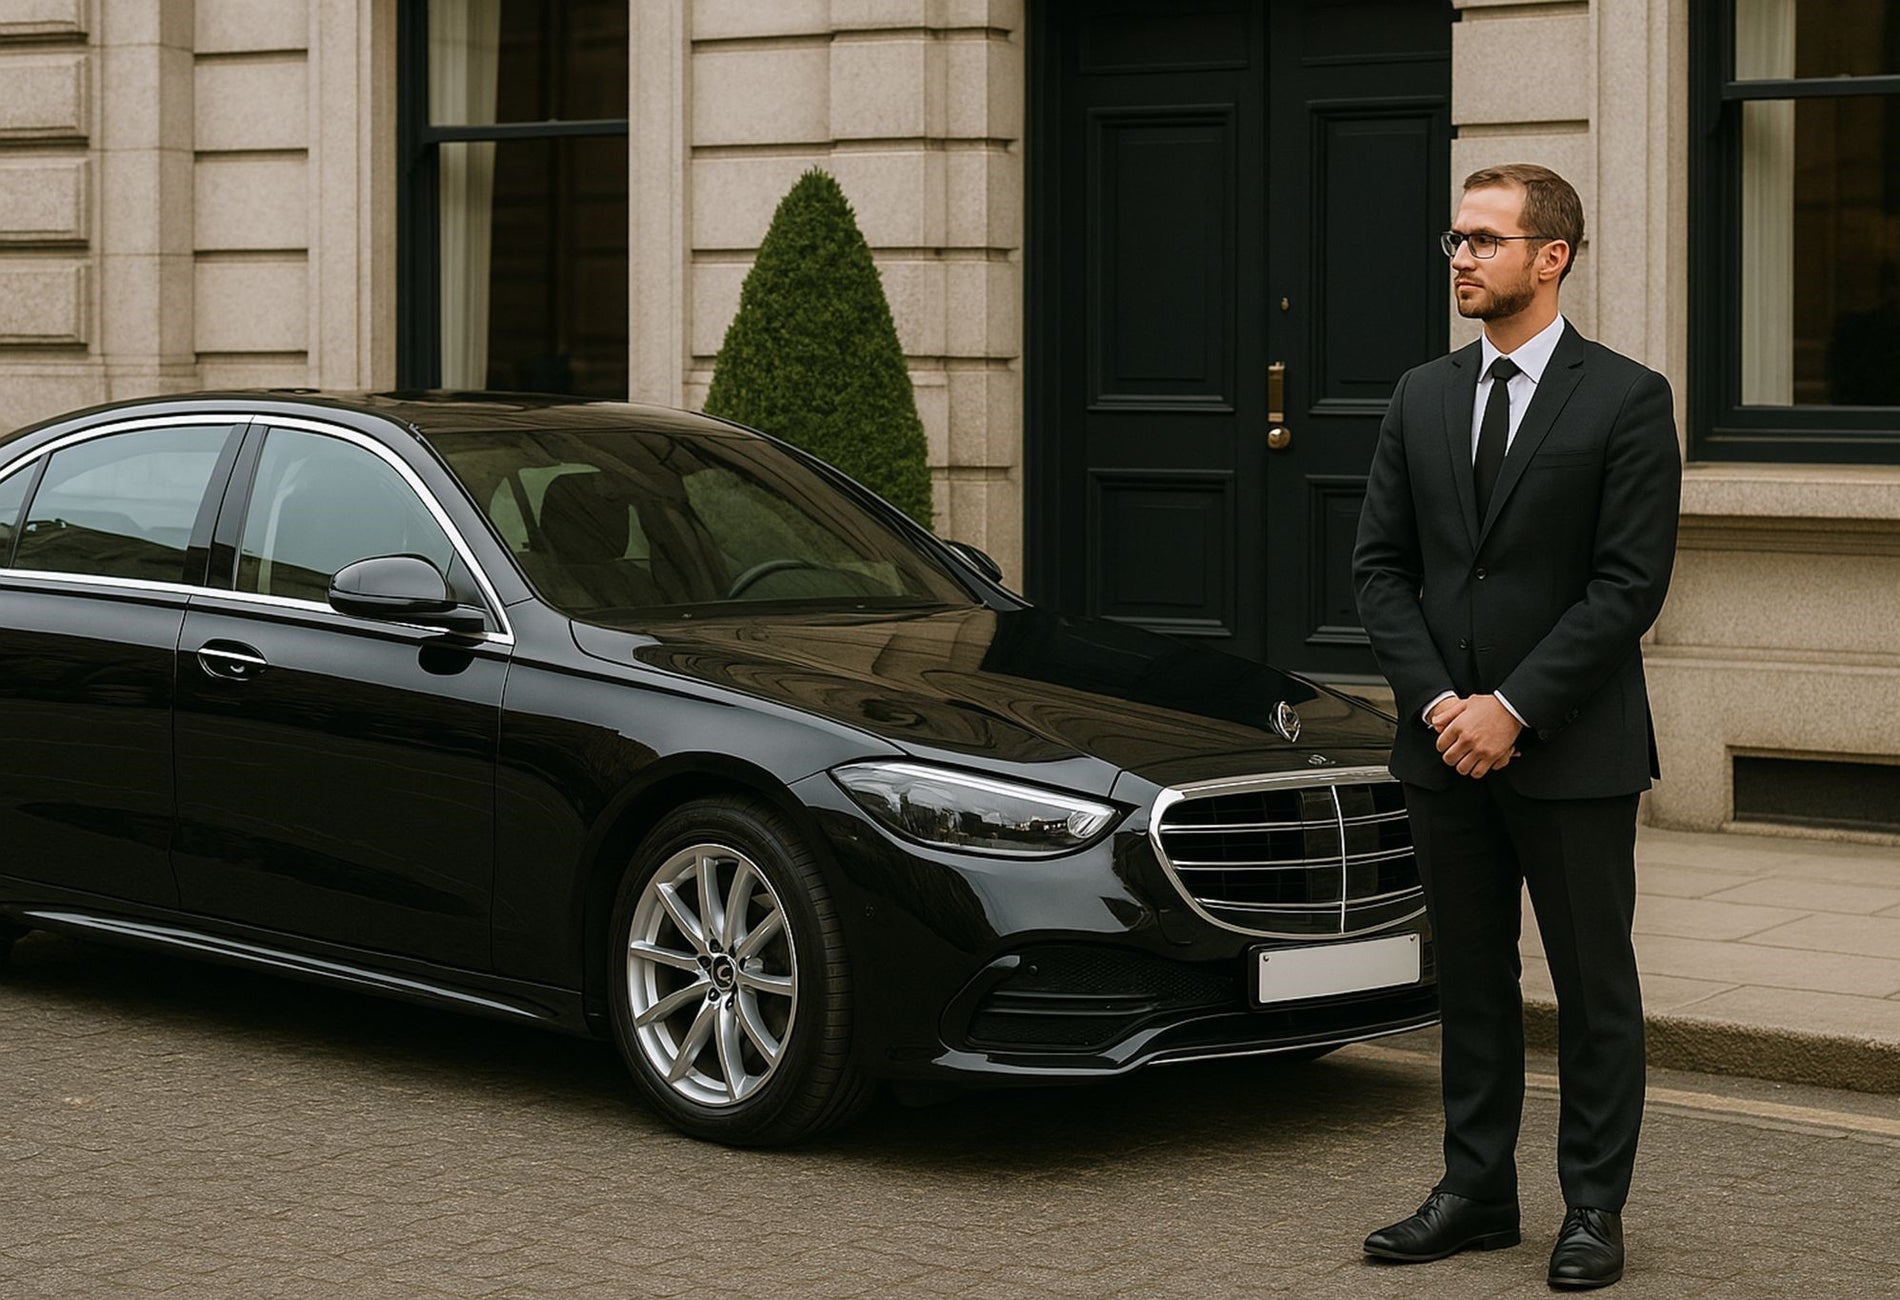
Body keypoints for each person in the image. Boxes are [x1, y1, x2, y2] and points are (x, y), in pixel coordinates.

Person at [1351, 163, 1682, 1290]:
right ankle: (1476, 1193)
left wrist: (1514, 708)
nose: (1461, 256)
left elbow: (1626, 587)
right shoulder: (1420, 395)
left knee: (1594, 990)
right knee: (1472, 986)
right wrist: (1443, 704)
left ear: (1552, 257)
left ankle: (1592, 1207)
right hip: (1443, 748)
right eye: (1456, 238)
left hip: (1573, 749)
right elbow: (1380, 570)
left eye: (1485, 240)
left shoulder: (1627, 397)